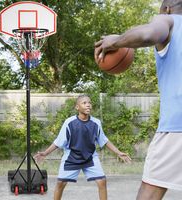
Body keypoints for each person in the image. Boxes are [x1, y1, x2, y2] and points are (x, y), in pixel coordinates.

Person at [95, 0, 182, 200]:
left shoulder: (167, 19)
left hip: (177, 127)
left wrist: (115, 41)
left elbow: (149, 34)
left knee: (149, 193)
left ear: (167, 8)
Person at [34, 94, 131, 200]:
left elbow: (104, 140)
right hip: (71, 158)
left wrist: (118, 152)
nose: (88, 105)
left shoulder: (96, 123)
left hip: (90, 158)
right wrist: (45, 153)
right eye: (84, 103)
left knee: (102, 181)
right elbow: (59, 141)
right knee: (60, 183)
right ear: (77, 107)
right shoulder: (69, 122)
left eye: (89, 103)